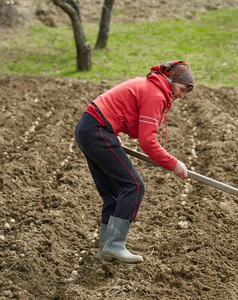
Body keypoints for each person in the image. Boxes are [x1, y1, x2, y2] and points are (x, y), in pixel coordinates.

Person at [75, 61, 194, 264]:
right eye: (182, 89)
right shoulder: (155, 95)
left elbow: (119, 109)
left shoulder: (148, 85)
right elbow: (147, 142)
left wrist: (114, 131)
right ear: (171, 80)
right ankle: (114, 245)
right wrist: (173, 164)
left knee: (113, 193)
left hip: (89, 128)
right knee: (133, 186)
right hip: (97, 130)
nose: (182, 95)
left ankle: (106, 248)